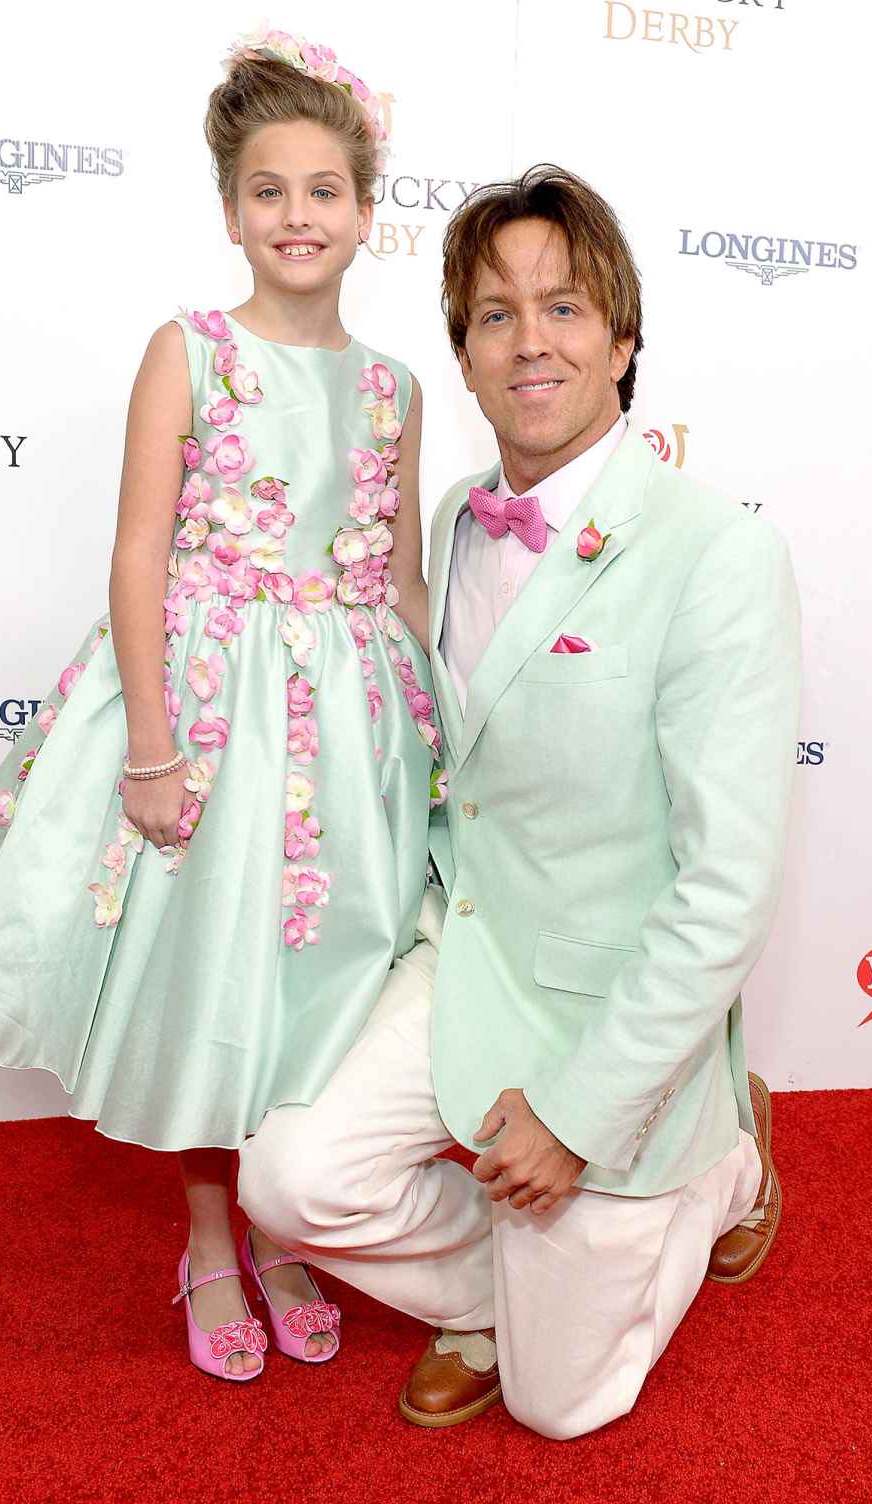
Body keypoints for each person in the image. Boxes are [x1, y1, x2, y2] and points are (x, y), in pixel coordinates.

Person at [238, 165, 800, 1437]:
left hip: (609, 993)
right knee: (291, 1179)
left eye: (562, 307)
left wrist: (577, 1112)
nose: (529, 340)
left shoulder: (719, 554)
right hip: (474, 944)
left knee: (561, 1408)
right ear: (465, 352)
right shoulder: (451, 517)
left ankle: (722, 1165)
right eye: (495, 314)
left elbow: (726, 890)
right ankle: (500, 1288)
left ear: (622, 338)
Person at [0, 28, 439, 1383]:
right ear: (231, 210)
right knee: (210, 981)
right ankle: (212, 1233)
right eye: (270, 191)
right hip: (216, 721)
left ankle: (289, 1220)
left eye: (324, 190)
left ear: (364, 210)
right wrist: (153, 747)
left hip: (350, 737)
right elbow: (138, 554)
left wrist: (439, 752)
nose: (298, 215)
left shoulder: (395, 389)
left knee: (320, 987)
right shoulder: (193, 350)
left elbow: (397, 583)